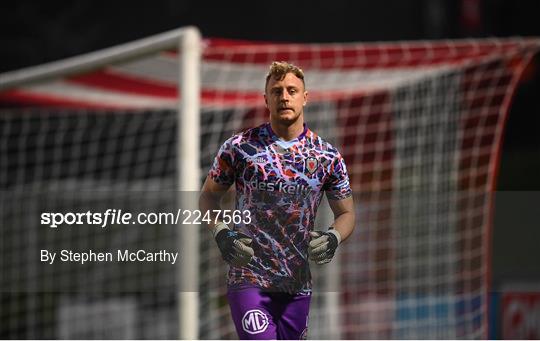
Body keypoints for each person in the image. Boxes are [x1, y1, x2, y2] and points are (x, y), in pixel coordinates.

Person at [199, 61, 355, 340]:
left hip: (297, 283)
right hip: (248, 279)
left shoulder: (327, 156)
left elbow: (346, 214)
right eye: (277, 90)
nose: (284, 96)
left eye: (292, 90)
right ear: (266, 99)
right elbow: (208, 197)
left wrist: (333, 237)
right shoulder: (239, 148)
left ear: (305, 98)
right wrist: (221, 232)